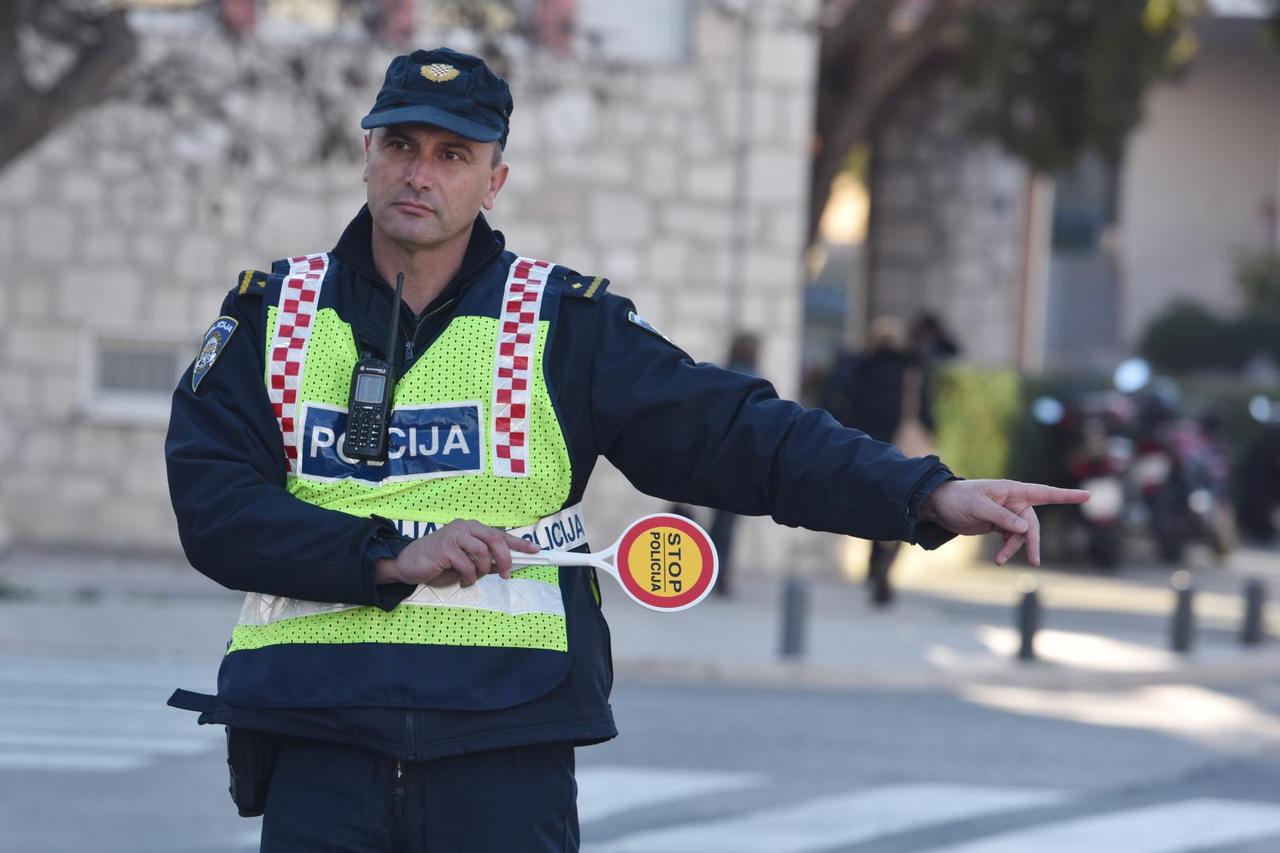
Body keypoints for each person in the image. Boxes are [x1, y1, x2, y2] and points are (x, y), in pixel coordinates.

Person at [165, 47, 1088, 853]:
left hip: (502, 745)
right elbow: (215, 508)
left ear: (494, 180)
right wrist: (386, 555)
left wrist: (923, 493)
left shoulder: (562, 322)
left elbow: (738, 432)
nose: (420, 173)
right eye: (401, 145)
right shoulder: (273, 314)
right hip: (317, 740)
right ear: (367, 152)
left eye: (453, 154)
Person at [822, 316, 932, 605]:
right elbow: (925, 412)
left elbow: (837, 401)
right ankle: (884, 569)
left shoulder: (858, 367)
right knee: (904, 508)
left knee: (875, 505)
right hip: (901, 448)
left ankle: (874, 568)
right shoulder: (911, 369)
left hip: (866, 447)